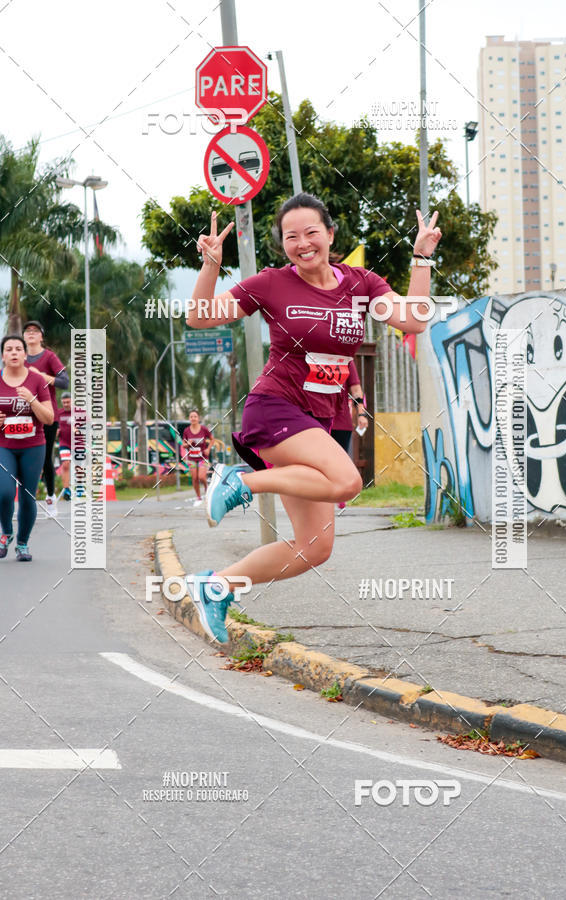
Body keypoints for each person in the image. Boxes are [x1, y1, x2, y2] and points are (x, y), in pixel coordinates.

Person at [185, 193, 441, 643]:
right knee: (347, 482)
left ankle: (218, 584)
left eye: (311, 233)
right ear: (282, 244)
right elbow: (200, 317)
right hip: (275, 407)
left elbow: (412, 321)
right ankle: (238, 482)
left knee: (314, 548)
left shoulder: (361, 284)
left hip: (319, 420)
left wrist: (421, 257)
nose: (303, 243)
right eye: (291, 236)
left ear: (330, 234)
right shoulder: (270, 283)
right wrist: (210, 265)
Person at [0, 335, 54, 561]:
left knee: (27, 497)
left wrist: (32, 400)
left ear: (25, 355)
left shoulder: (36, 380)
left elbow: (49, 418)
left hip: (33, 446)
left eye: (18, 349)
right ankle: (7, 534)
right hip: (4, 445)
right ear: (3, 355)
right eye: (9, 349)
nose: (13, 352)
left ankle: (22, 544)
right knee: (4, 493)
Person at [23, 321, 68, 517]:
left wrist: (41, 376)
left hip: (47, 414)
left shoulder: (49, 357)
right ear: (24, 337)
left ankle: (50, 496)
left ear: (41, 337)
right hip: (23, 415)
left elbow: (64, 381)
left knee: (44, 457)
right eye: (27, 331)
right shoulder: (19, 358)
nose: (31, 334)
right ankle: (27, 499)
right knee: (22, 456)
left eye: (35, 331)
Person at [331, 360, 368, 509]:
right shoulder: (312, 355)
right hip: (317, 418)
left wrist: (361, 414)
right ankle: (326, 492)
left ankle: (340, 493)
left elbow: (356, 390)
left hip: (340, 420)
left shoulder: (346, 359)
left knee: (340, 458)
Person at [182, 410, 214, 506]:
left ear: (198, 418)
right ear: (189, 418)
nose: (193, 418)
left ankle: (206, 488)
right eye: (191, 417)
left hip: (202, 458)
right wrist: (188, 444)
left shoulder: (204, 429)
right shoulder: (186, 431)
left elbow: (212, 439)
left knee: (201, 477)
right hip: (191, 458)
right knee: (195, 478)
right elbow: (183, 445)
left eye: (195, 416)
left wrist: (208, 449)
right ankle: (198, 497)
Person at [57, 392, 72, 500]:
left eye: (68, 402)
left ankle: (80, 488)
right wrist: (55, 432)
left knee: (79, 467)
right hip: (64, 444)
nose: (66, 404)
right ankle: (66, 490)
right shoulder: (58, 413)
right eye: (64, 402)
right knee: (65, 464)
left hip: (78, 444)